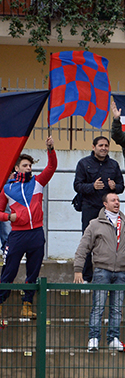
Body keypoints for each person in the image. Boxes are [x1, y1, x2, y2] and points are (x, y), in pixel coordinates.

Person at [0, 136, 56, 320]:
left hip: (36, 234)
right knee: (9, 270)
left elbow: (51, 167)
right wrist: (9, 216)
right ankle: (0, 303)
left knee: (33, 271)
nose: (29, 168)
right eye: (25, 165)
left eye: (30, 165)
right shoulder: (6, 188)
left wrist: (50, 149)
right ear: (16, 168)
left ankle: (27, 305)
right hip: (17, 235)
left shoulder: (38, 182)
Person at [73, 192, 125, 353]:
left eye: (118, 200)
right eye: (113, 200)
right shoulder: (95, 224)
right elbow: (83, 247)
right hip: (101, 270)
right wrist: (78, 269)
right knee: (98, 305)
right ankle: (94, 338)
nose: (117, 203)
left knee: (117, 308)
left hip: (121, 272)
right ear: (105, 204)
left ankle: (113, 338)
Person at [73, 136, 125, 283]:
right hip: (89, 207)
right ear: (93, 147)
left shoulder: (114, 165)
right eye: (100, 145)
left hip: (109, 211)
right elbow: (77, 185)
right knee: (88, 241)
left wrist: (115, 187)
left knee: (111, 242)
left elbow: (121, 187)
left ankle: (111, 276)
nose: (104, 148)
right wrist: (92, 187)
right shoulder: (83, 163)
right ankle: (87, 277)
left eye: (106, 145)